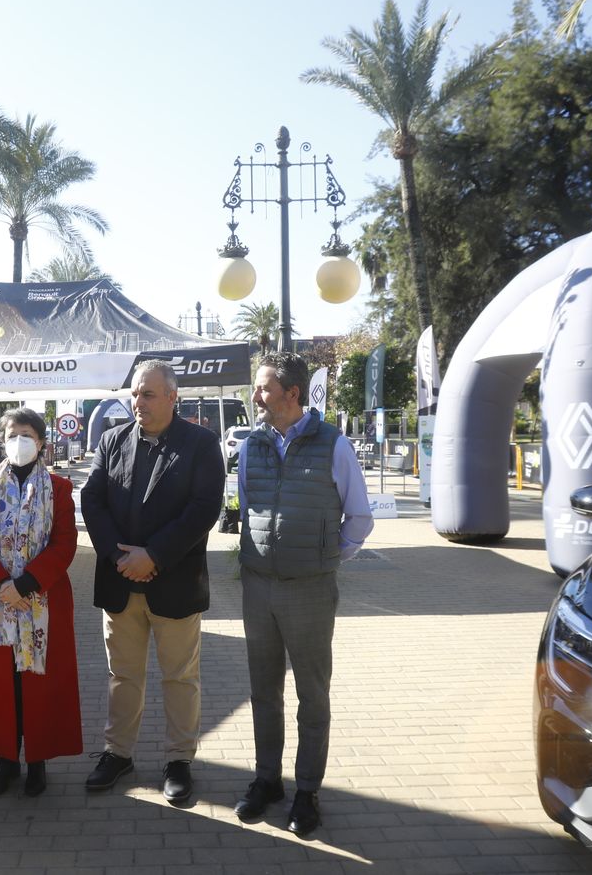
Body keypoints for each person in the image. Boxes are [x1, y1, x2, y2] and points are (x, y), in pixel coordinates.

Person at [233, 352, 373, 837]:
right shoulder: (251, 444)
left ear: (292, 394)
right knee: (262, 692)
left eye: (264, 388)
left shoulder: (333, 444)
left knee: (312, 696)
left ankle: (307, 792)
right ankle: (266, 780)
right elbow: (247, 507)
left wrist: (324, 557)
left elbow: (359, 518)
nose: (256, 397)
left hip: (310, 591)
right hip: (257, 587)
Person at [81, 360, 225, 804]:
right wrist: (120, 557)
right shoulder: (112, 440)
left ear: (171, 397)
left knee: (180, 677)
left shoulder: (201, 444)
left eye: (147, 394)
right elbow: (92, 499)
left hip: (174, 583)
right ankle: (117, 753)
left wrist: (154, 556)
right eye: (135, 394)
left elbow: (203, 509)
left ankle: (178, 760)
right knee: (122, 675)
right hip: (121, 582)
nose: (138, 402)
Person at [0, 408, 82, 797]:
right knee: (0, 685)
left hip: (39, 602)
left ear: (42, 442)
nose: (18, 441)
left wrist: (25, 583)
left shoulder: (59, 488)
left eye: (26, 434)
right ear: (2, 440)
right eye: (12, 434)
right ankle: (5, 761)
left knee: (36, 684)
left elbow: (65, 542)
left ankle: (37, 762)